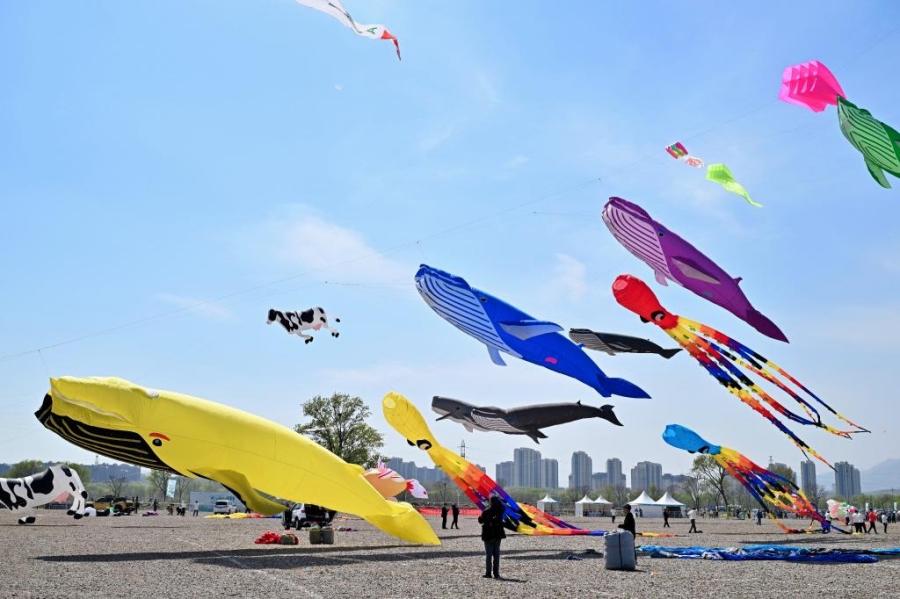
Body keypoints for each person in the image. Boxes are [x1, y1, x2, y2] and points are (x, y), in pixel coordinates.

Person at [478, 495, 506, 579]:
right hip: (498, 534)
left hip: (488, 534)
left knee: (488, 554)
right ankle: (496, 573)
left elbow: (480, 520)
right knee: (496, 554)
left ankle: (488, 573)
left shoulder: (486, 511)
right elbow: (503, 506)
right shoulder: (500, 510)